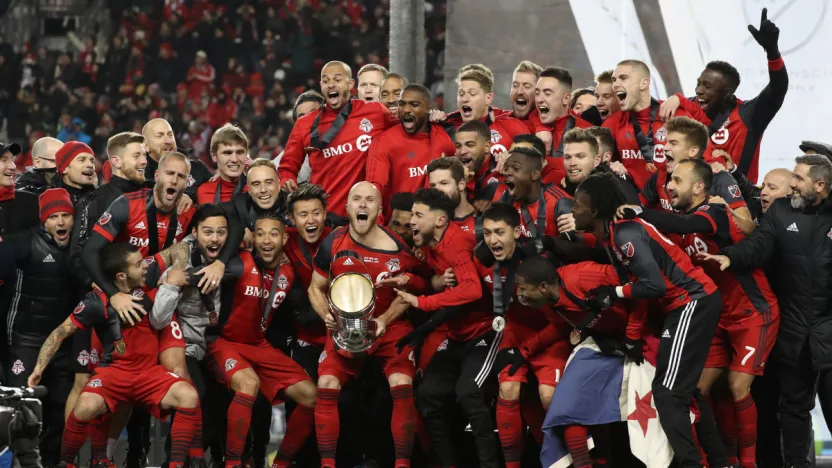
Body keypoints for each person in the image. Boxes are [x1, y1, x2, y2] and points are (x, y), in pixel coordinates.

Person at [623, 158, 780, 467]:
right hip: (715, 317)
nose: (669, 186)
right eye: (669, 180)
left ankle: (747, 464)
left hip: (753, 312)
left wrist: (639, 212)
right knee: (697, 389)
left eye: (677, 180)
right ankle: (713, 460)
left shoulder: (715, 212)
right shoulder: (674, 222)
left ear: (698, 187)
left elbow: (684, 224)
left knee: (738, 387)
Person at [571, 172, 723, 467]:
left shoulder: (625, 233)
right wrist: (632, 334)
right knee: (681, 389)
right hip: (682, 305)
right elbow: (641, 288)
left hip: (692, 301)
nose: (572, 209)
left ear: (596, 209)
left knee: (667, 394)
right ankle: (718, 461)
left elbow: (654, 286)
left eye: (578, 203)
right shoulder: (613, 234)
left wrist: (613, 292)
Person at [700, 154, 832, 468]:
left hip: (829, 327)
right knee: (793, 407)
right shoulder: (781, 213)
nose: (793, 187)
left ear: (821, 185)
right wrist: (730, 257)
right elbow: (758, 244)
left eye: (799, 180)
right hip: (793, 330)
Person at [27, 242, 204, 468]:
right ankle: (67, 463)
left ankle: (176, 465)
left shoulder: (147, 275)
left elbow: (179, 247)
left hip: (149, 373)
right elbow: (60, 332)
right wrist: (39, 368)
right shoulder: (95, 302)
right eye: (138, 264)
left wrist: (176, 270)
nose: (145, 267)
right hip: (114, 374)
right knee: (85, 405)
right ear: (121, 275)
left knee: (189, 395)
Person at [308, 182, 421, 468]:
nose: (362, 204)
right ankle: (328, 465)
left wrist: (384, 319)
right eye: (355, 199)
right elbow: (315, 287)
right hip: (343, 328)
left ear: (379, 211)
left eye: (369, 200)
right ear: (346, 208)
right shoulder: (332, 242)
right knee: (326, 384)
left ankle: (402, 464)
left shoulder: (400, 249)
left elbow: (406, 297)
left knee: (401, 383)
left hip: (389, 327)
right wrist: (325, 315)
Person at [203, 213, 318, 468]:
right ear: (253, 238)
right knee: (249, 383)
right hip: (224, 343)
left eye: (274, 234)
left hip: (258, 345)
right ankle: (234, 464)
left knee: (311, 395)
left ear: (284, 238)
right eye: (261, 234)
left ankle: (282, 463)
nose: (267, 240)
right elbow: (203, 272)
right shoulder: (239, 264)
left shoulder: (288, 273)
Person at [395, 188, 497, 468]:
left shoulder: (456, 243)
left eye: (418, 215)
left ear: (440, 221)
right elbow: (435, 277)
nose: (411, 220)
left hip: (485, 332)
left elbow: (473, 290)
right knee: (429, 395)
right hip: (456, 336)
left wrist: (423, 302)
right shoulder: (430, 244)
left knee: (469, 393)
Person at [472, 204, 570, 468]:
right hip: (515, 331)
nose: (493, 240)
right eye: (488, 233)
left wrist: (525, 350)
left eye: (500, 232)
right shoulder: (483, 261)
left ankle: (571, 461)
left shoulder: (540, 263)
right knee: (508, 388)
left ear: (516, 232)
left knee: (548, 395)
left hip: (550, 335)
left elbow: (561, 323)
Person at [662, 8, 787, 183]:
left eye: (707, 86)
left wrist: (773, 52)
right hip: (689, 200)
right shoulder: (685, 106)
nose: (698, 90)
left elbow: (778, 89)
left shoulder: (748, 115)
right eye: (698, 83)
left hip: (735, 202)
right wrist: (674, 98)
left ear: (727, 94)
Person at [0, 188, 76, 468]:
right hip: (26, 339)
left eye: (66, 216)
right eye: (53, 216)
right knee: (22, 409)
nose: (60, 223)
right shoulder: (24, 242)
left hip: (64, 343)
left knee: (58, 412)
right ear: (43, 220)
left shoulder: (80, 247)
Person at [279, 61, 396, 220]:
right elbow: (287, 166)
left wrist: (436, 118)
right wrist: (287, 179)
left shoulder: (375, 112)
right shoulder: (304, 124)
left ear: (350, 84)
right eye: (326, 81)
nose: (331, 85)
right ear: (321, 86)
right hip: (326, 217)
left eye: (337, 80)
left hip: (364, 215)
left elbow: (405, 129)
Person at [602, 60, 707, 190]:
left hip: (676, 203)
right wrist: (613, 168)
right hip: (637, 204)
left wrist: (680, 99)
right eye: (614, 80)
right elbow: (599, 161)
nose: (616, 85)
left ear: (644, 83)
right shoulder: (613, 123)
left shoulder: (675, 113)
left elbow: (705, 156)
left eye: (623, 78)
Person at [640, 117, 755, 234]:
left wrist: (728, 212)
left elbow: (749, 228)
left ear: (693, 151)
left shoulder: (718, 178)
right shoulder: (660, 175)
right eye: (666, 142)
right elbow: (637, 208)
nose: (664, 148)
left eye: (673, 144)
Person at [70, 132, 148, 287]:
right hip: (110, 297)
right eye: (136, 156)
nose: (144, 161)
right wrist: (103, 288)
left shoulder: (151, 194)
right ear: (116, 161)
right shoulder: (94, 201)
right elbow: (77, 254)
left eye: (144, 155)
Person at [367, 84, 455, 218]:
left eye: (414, 105)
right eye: (402, 104)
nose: (406, 109)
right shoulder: (384, 141)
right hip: (398, 225)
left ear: (428, 109)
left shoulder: (444, 139)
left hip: (434, 224)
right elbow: (375, 187)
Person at [493, 140, 572, 238]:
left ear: (535, 174)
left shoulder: (559, 203)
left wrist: (549, 244)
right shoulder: (507, 198)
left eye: (516, 168)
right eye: (506, 168)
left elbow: (576, 247)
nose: (507, 173)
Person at [141, 118, 212, 202]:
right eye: (160, 136)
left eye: (170, 135)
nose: (168, 140)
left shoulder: (198, 169)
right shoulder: (141, 178)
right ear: (146, 146)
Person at [534, 67, 592, 158]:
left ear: (566, 99)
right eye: (537, 93)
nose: (539, 99)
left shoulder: (587, 132)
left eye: (547, 94)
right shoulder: (528, 124)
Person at [273, 91, 325, 185]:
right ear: (295, 125)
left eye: (313, 113)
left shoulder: (344, 143)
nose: (308, 120)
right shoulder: (282, 163)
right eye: (302, 118)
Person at [197, 124, 249, 205]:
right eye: (227, 153)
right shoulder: (203, 192)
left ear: (246, 154)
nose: (234, 159)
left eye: (239, 152)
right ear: (214, 156)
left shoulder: (256, 189)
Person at [426, 157, 478, 239]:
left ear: (461, 184)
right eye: (433, 185)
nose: (437, 190)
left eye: (444, 183)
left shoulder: (484, 219)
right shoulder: (430, 227)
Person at [454, 120, 502, 207]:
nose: (462, 151)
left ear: (487, 147)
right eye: (458, 146)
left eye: (470, 145)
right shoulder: (453, 175)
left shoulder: (503, 171)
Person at [0, 141, 39, 235]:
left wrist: (6, 243)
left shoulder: (30, 201)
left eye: (12, 160)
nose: (13, 166)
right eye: (4, 160)